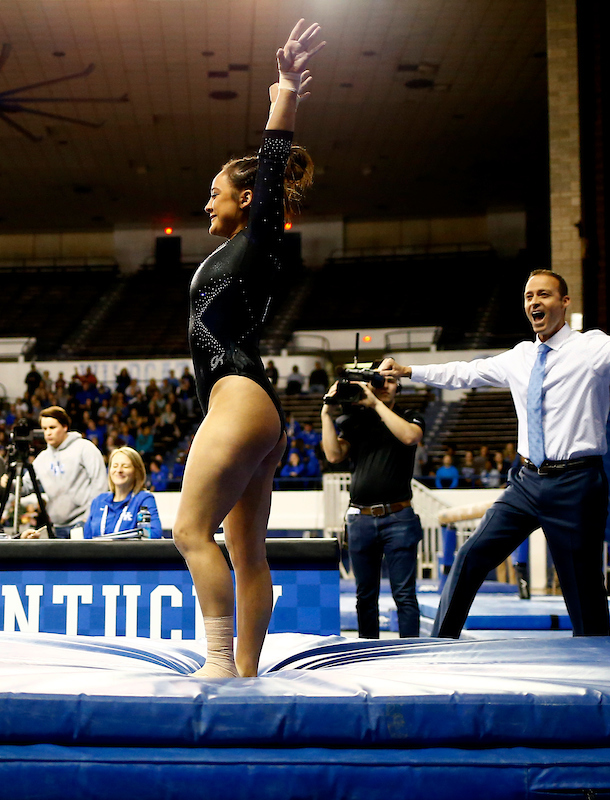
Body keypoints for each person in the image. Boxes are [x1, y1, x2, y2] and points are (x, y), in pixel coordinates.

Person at [380, 269, 610, 638]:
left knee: (583, 590)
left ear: (564, 302)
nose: (534, 302)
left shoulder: (592, 347)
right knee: (470, 557)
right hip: (526, 482)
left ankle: (599, 667)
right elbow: (465, 372)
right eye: (529, 297)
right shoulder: (520, 356)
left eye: (543, 295)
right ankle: (440, 644)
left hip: (576, 484)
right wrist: (409, 370)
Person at [173, 18, 323, 679]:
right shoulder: (238, 255)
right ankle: (246, 669)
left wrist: (284, 90)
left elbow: (271, 162)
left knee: (188, 532)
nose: (206, 203)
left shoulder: (254, 244)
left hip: (236, 400)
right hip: (255, 401)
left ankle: (213, 661)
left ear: (245, 199)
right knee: (248, 553)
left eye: (214, 194)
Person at [322, 373, 425, 639]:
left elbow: (410, 437)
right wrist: (326, 413)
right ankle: (368, 653)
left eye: (390, 381)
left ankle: (410, 655)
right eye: (379, 381)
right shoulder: (356, 422)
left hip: (398, 516)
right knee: (364, 596)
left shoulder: (410, 415)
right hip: (362, 519)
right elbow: (334, 455)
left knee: (404, 595)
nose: (384, 386)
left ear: (398, 387)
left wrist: (376, 405)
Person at [18, 406, 107, 539]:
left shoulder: (84, 448)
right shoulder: (42, 458)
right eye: (44, 429)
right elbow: (25, 487)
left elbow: (100, 484)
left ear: (65, 427)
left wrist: (89, 517)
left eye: (52, 428)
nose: (48, 433)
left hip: (82, 522)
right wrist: (9, 482)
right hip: (56, 526)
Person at [84, 446, 163, 539]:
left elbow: (154, 535)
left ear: (137, 472)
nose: (119, 470)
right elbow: (86, 539)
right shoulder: (98, 501)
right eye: (115, 466)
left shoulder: (144, 499)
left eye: (125, 466)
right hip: (97, 553)